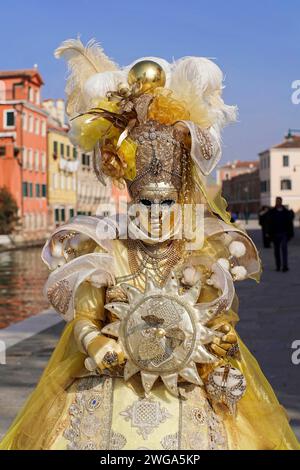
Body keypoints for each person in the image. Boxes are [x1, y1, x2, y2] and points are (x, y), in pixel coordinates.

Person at [1, 39, 299, 450]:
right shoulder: (107, 250)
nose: (156, 211)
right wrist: (96, 342)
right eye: (146, 201)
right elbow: (86, 317)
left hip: (187, 381)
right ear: (132, 198)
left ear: (179, 200)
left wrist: (223, 340)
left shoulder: (202, 251)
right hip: (111, 380)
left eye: (165, 202)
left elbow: (218, 319)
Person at [267, 197, 294, 272]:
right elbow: (269, 223)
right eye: (277, 201)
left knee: (284, 249)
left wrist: (291, 233)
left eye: (279, 201)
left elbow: (290, 223)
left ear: (281, 202)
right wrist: (268, 233)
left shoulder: (286, 212)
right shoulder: (272, 212)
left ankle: (285, 266)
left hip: (284, 233)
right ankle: (278, 265)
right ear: (276, 202)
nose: (278, 202)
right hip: (275, 234)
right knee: (277, 251)